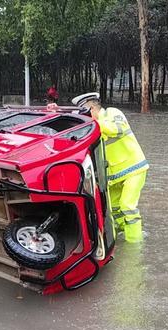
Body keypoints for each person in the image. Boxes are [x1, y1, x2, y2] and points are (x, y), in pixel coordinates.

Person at [71, 92, 148, 243]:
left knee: (127, 206)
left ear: (91, 109)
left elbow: (117, 129)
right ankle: (123, 235)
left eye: (84, 113)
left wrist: (94, 122)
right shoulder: (91, 128)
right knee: (114, 209)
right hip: (113, 176)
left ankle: (134, 243)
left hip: (133, 169)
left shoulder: (112, 113)